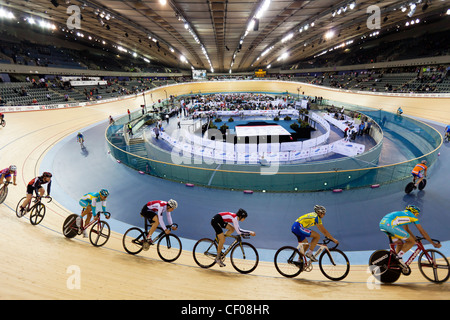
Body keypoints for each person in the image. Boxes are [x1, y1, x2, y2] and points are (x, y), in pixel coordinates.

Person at [379, 205, 441, 270]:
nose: (416, 216)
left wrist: (415, 238)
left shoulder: (403, 214)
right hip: (389, 225)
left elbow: (407, 230)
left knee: (400, 242)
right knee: (411, 241)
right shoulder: (413, 216)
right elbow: (422, 231)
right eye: (417, 214)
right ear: (414, 212)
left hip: (383, 224)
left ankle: (394, 261)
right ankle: (398, 257)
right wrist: (433, 243)